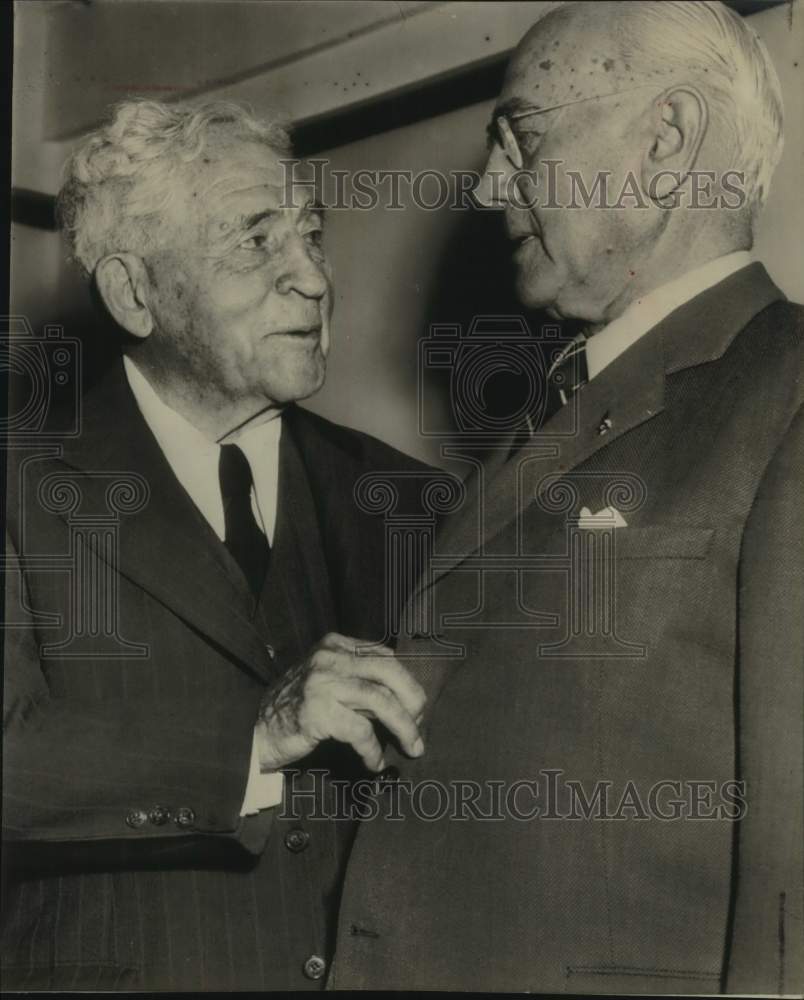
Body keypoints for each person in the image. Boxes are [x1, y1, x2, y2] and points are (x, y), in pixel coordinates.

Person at [331, 2, 803, 992]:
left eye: (523, 137)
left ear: (666, 144)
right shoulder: (539, 422)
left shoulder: (787, 394)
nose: (491, 182)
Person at [2, 99, 430, 991]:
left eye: (313, 234)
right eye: (257, 241)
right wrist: (253, 738)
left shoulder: (413, 498)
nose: (313, 279)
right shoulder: (21, 493)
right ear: (134, 293)